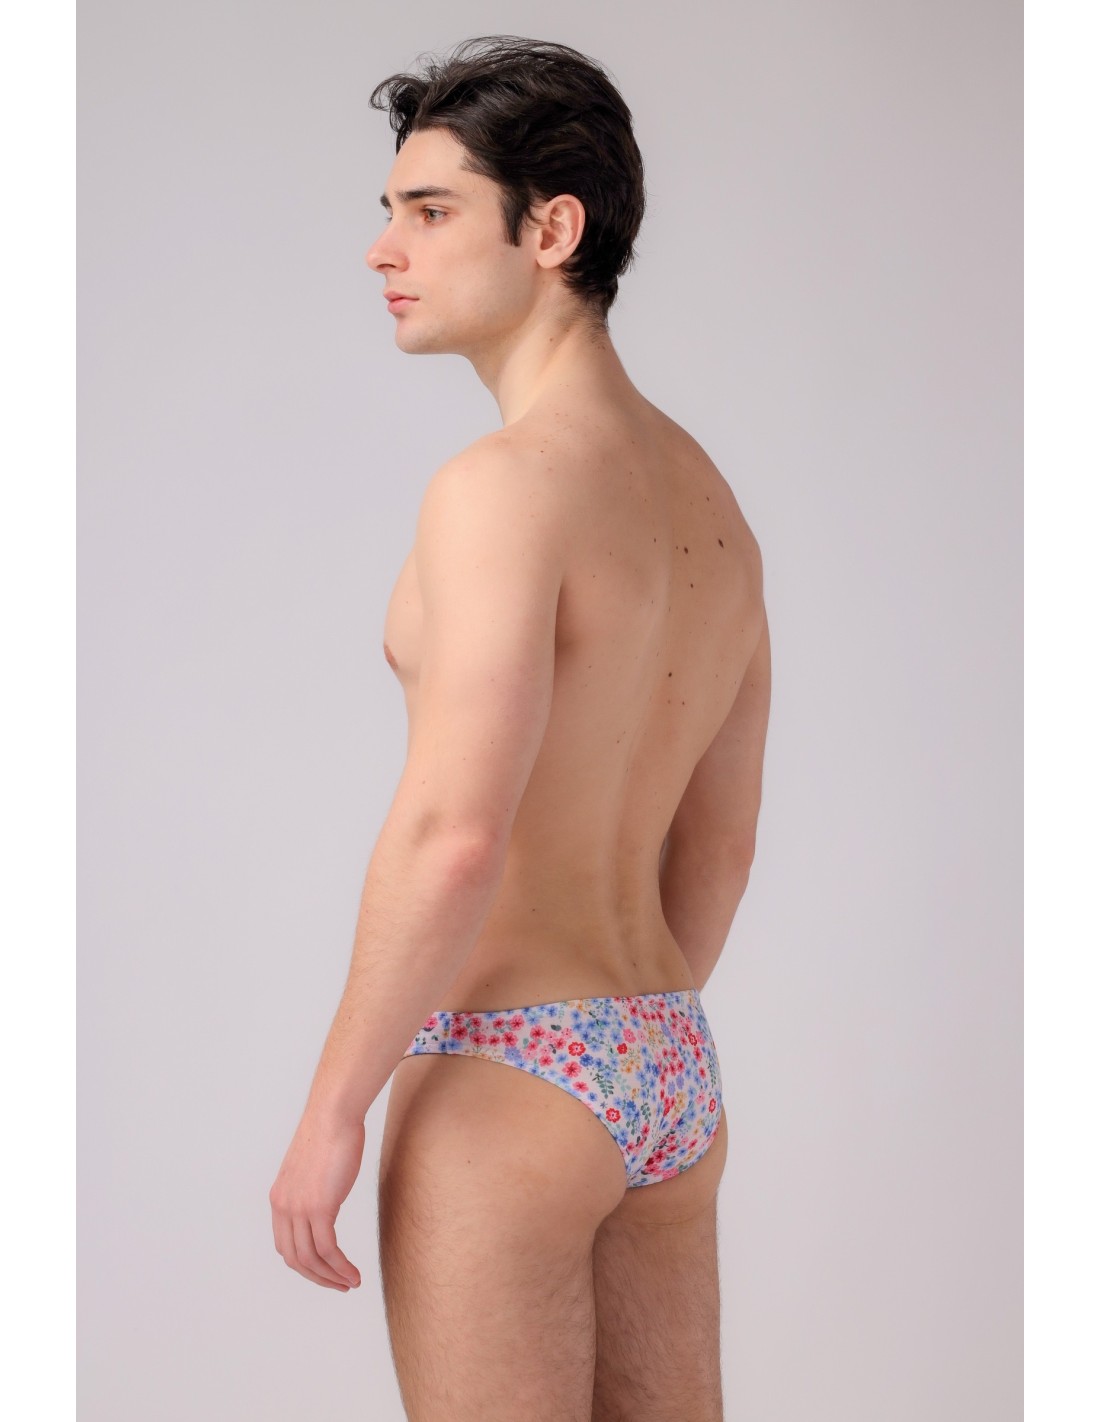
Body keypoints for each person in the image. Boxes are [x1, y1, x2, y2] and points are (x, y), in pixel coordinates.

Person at [269, 34, 771, 1422]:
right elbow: (723, 843)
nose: (384, 250)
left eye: (430, 211)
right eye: (389, 211)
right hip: (666, 1056)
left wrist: (333, 1109)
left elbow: (454, 831)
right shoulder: (714, 505)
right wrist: (625, 1035)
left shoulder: (498, 486)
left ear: (552, 231)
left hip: (508, 1069)